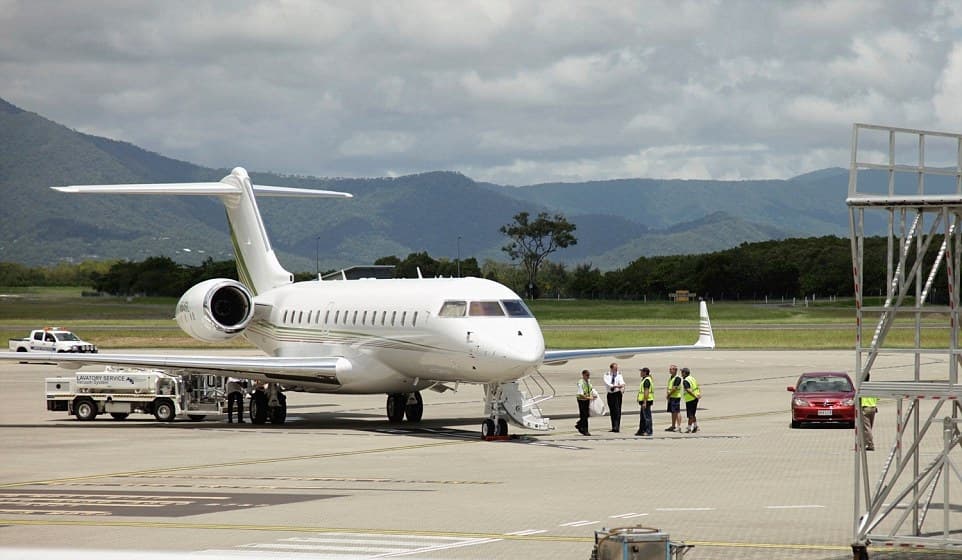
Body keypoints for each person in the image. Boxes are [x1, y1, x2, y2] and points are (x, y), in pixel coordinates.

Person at [604, 362, 626, 432]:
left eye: (617, 368)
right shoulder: (607, 375)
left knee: (617, 410)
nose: (616, 370)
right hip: (610, 394)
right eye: (615, 368)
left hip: (617, 394)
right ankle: (614, 426)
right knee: (612, 410)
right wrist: (616, 386)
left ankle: (617, 427)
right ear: (611, 368)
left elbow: (622, 383)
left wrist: (619, 386)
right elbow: (607, 383)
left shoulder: (619, 374)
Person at [860, 373, 877, 451]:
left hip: (865, 408)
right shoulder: (872, 386)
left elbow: (858, 398)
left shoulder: (861, 387)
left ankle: (870, 444)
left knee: (867, 428)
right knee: (870, 427)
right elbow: (876, 398)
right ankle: (866, 442)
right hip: (873, 408)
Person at [635, 367, 654, 436]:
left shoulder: (646, 380)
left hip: (646, 401)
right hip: (643, 400)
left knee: (647, 417)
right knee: (643, 417)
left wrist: (644, 402)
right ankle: (641, 430)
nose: (640, 373)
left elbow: (646, 391)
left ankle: (648, 431)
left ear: (645, 372)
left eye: (642, 371)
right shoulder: (644, 379)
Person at [576, 369, 595, 436]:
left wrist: (593, 395)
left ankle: (579, 425)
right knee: (584, 415)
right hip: (581, 400)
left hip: (586, 400)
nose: (588, 376)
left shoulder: (588, 382)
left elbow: (590, 389)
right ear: (583, 375)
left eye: (589, 375)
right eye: (587, 375)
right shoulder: (581, 383)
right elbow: (581, 394)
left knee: (587, 415)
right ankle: (585, 430)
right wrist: (589, 398)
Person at [681, 367, 701, 433]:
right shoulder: (692, 378)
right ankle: (695, 426)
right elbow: (697, 386)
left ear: (684, 373)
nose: (681, 374)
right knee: (693, 414)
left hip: (690, 399)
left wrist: (694, 395)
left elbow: (688, 390)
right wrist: (698, 394)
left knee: (690, 415)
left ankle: (689, 428)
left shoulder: (686, 380)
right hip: (695, 398)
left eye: (682, 372)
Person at [665, 365, 682, 431]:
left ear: (675, 370)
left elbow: (674, 388)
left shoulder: (677, 378)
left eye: (671, 369)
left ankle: (679, 426)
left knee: (677, 411)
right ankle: (673, 425)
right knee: (673, 412)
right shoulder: (671, 377)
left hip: (675, 397)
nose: (670, 370)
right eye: (670, 369)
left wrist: (669, 394)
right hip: (671, 397)